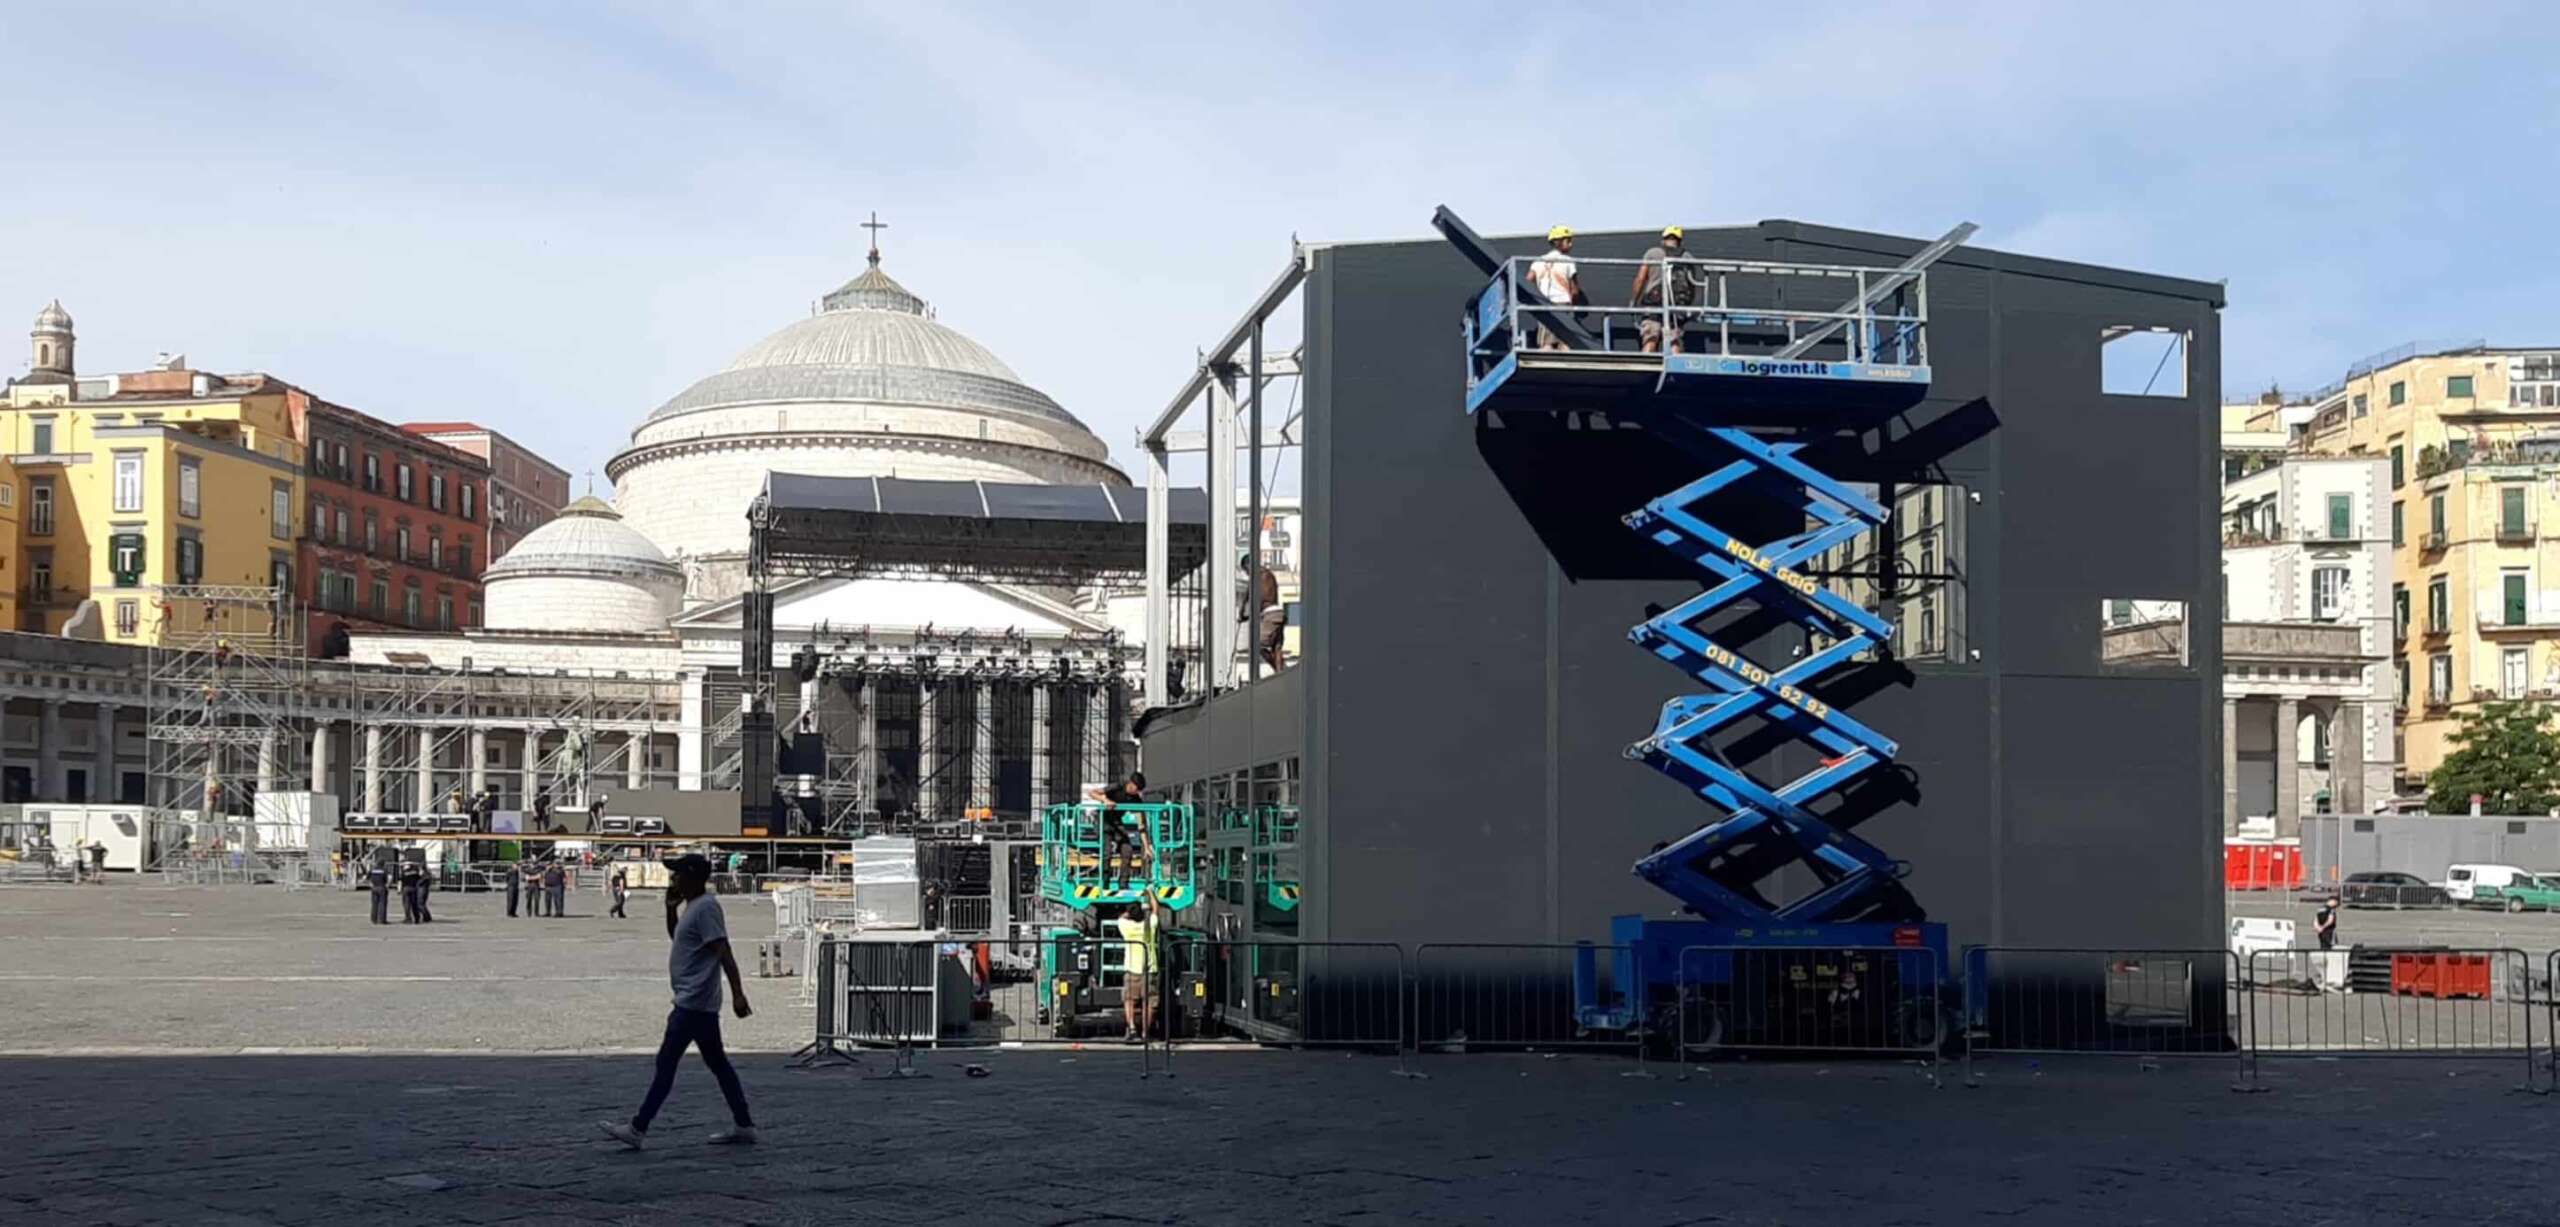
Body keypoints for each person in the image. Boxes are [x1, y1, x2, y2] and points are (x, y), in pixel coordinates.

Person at [600, 853, 755, 1150]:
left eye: (678, 874)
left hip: (693, 1002)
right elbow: (681, 939)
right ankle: (744, 1124)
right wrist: (670, 909)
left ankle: (638, 1127)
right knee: (718, 1064)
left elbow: (723, 951)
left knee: (667, 1062)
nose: (673, 880)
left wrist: (738, 993)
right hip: (696, 1001)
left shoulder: (706, 908)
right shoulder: (694, 907)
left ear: (693, 877)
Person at [1629, 225, 1701, 355]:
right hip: (1676, 307)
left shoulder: (1653, 253)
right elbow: (1692, 285)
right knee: (1674, 342)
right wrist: (1686, 307)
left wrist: (1633, 303)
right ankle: (1677, 371)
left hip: (1653, 305)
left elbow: (1640, 279)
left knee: (1650, 339)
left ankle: (1646, 370)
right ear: (1680, 241)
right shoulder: (1687, 257)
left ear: (1663, 240)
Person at [1524, 225, 1584, 350]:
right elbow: (1575, 290)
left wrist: (1538, 297)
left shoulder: (1538, 261)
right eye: (1568, 240)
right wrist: (1574, 306)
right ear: (1560, 242)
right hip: (1564, 305)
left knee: (1546, 345)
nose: (1571, 244)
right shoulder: (1568, 261)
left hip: (1545, 305)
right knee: (1566, 344)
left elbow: (1527, 281)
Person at [1087, 772, 1150, 888]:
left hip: (1116, 823)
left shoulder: (1136, 800)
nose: (1137, 792)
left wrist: (1147, 847)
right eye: (1137, 789)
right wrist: (1104, 800)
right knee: (1107, 853)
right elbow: (1092, 792)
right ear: (1131, 784)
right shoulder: (1117, 787)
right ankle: (1104, 884)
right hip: (1103, 820)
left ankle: (1123, 884)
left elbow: (1142, 825)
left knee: (1127, 850)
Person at [1115, 899, 1160, 1043]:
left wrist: (1127, 913)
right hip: (1149, 969)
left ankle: (1132, 1029)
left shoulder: (1125, 927)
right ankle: (1146, 1033)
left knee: (1129, 1000)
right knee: (1149, 1002)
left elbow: (1121, 918)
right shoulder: (1149, 926)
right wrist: (1151, 894)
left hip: (1132, 969)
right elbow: (1156, 910)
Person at [1240, 554, 1285, 674]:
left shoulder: (1259, 576)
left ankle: (1279, 669)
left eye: (1246, 570)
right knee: (1277, 647)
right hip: (1279, 613)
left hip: (1270, 615)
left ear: (1248, 565)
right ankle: (1280, 672)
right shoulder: (1268, 574)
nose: (1247, 574)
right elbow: (1249, 594)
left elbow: (1259, 599)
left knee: (1257, 644)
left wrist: (1246, 614)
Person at [396, 856, 425, 924]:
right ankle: (417, 918)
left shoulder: (403, 872)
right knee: (414, 904)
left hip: (406, 889)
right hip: (414, 888)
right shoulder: (415, 872)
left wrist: (399, 890)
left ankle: (408, 918)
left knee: (406, 905)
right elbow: (420, 876)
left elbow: (400, 881)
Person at [366, 853, 391, 925]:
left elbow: (367, 878)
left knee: (374, 904)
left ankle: (374, 919)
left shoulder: (372, 869)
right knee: (382, 904)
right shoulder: (384, 870)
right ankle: (382, 920)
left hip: (374, 888)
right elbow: (389, 878)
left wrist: (370, 884)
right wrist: (387, 885)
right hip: (382, 887)